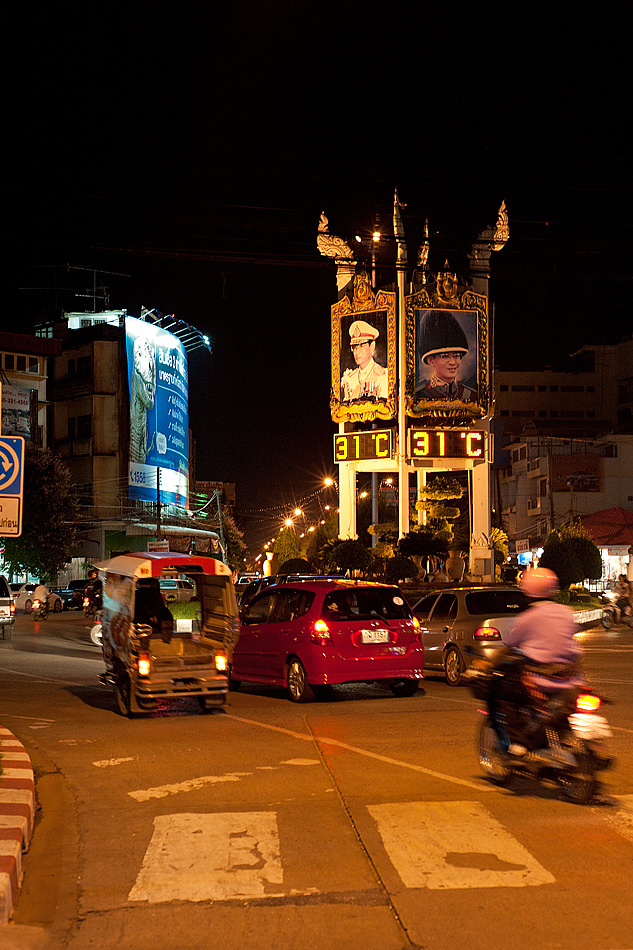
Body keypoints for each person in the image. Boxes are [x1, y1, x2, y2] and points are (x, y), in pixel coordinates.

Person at [498, 567, 584, 757]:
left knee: (505, 697)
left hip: (540, 680)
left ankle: (518, 744)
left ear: (527, 592)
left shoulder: (527, 617)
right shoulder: (566, 612)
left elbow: (509, 644)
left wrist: (491, 662)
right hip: (571, 679)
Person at [416, 309, 477, 401]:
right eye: (445, 356)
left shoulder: (471, 396)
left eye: (456, 355)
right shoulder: (420, 395)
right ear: (430, 360)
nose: (453, 362)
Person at [340, 320, 388, 402]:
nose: (357, 352)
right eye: (354, 347)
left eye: (362, 346)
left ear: (372, 346)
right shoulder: (349, 378)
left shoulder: (383, 376)